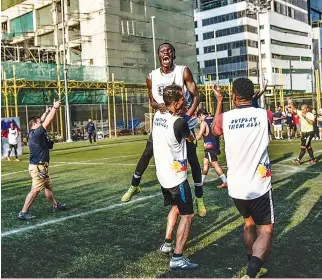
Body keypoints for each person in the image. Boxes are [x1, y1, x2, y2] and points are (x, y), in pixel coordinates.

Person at [121, 43, 206, 217]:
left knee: (192, 159)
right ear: (158, 56)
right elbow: (151, 101)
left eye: (169, 51)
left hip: (183, 123)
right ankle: (134, 185)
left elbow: (196, 96)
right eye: (162, 51)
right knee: (147, 153)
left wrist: (188, 117)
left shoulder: (183, 71)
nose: (165, 53)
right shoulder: (151, 76)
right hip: (162, 123)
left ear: (173, 55)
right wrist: (157, 105)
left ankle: (199, 198)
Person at [212, 78, 274, 278]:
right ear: (252, 94)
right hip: (259, 186)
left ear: (234, 95)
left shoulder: (224, 118)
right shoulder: (265, 115)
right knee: (265, 230)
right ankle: (252, 271)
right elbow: (263, 117)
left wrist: (219, 101)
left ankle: (252, 266)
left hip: (236, 187)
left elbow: (214, 130)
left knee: (248, 223)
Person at [153, 84, 198, 270]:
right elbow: (191, 139)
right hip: (176, 178)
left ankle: (167, 243)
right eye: (181, 99)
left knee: (176, 208)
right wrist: (194, 129)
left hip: (162, 176)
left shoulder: (157, 116)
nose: (185, 101)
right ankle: (178, 257)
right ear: (173, 102)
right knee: (188, 215)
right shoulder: (179, 123)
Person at [18, 101, 66, 220]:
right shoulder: (37, 133)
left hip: (41, 167)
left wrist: (46, 112)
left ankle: (55, 206)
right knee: (35, 190)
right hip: (38, 167)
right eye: (39, 122)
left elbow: (43, 119)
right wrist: (55, 108)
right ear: (34, 124)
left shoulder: (33, 132)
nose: (42, 122)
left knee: (47, 187)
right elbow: (47, 121)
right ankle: (23, 212)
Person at [196, 107, 227, 188]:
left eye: (199, 118)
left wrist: (191, 140)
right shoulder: (214, 119)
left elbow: (199, 135)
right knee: (205, 163)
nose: (199, 120)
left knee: (214, 164)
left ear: (200, 115)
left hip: (209, 147)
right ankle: (201, 182)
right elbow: (221, 132)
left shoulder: (204, 123)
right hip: (216, 144)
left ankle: (225, 181)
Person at [287, 99, 317, 164]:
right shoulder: (300, 113)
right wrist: (290, 103)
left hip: (309, 132)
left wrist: (305, 117)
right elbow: (294, 109)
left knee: (304, 146)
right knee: (308, 147)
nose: (302, 110)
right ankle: (313, 160)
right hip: (303, 133)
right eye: (301, 109)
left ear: (307, 109)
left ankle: (298, 160)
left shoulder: (310, 114)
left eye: (303, 109)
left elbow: (311, 122)